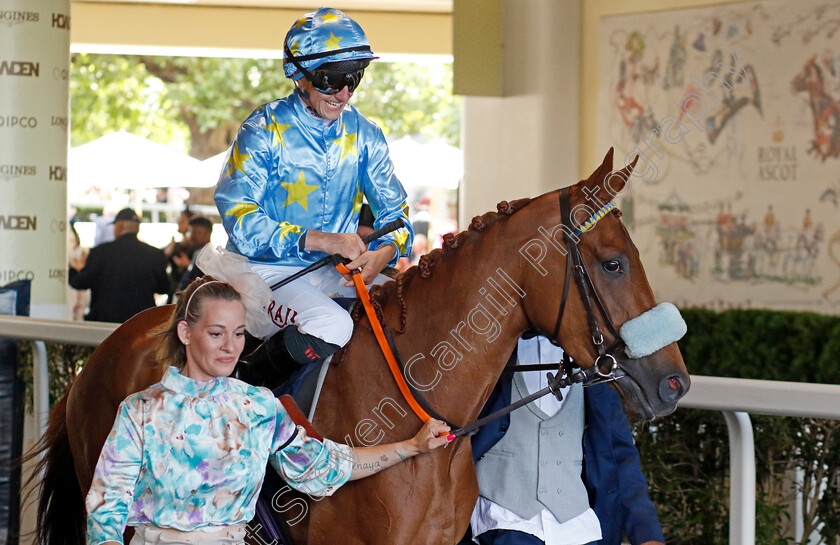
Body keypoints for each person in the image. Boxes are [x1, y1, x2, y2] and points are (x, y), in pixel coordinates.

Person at [84, 277, 451, 545]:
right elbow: (105, 509)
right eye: (216, 333)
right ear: (185, 332)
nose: (231, 347)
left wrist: (411, 447)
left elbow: (324, 468)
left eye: (240, 333)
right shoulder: (141, 411)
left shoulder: (259, 406)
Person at [215, 7, 413, 380]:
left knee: (415, 310)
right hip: (264, 272)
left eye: (354, 78)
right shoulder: (263, 128)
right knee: (333, 327)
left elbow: (398, 217)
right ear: (300, 75)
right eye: (331, 80)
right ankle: (244, 391)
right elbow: (240, 218)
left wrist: (383, 252)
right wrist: (321, 240)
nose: (344, 93)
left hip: (334, 273)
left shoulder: (366, 134)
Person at [461, 335, 665, 545]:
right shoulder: (484, 349)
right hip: (501, 522)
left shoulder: (599, 364)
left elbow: (619, 455)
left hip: (579, 529)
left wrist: (646, 533)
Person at [69, 208, 169, 323]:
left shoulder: (101, 252)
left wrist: (71, 270)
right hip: (141, 326)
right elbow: (164, 288)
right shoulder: (155, 254)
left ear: (119, 227)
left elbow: (80, 282)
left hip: (106, 325)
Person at [176, 216, 214, 292]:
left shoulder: (210, 258)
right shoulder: (195, 253)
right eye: (190, 232)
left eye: (196, 232)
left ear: (208, 233)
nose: (191, 236)